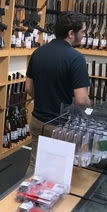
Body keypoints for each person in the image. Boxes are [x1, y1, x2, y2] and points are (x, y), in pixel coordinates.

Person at [25, 11, 91, 174]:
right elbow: (82, 100)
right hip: (61, 126)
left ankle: (23, 197)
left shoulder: (38, 52)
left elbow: (28, 88)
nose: (84, 35)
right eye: (82, 31)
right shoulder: (76, 58)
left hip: (37, 120)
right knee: (57, 171)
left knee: (35, 165)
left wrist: (45, 100)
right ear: (71, 33)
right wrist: (91, 108)